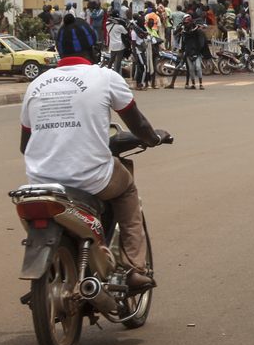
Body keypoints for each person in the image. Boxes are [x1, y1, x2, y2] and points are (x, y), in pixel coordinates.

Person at [19, 34, 171, 293]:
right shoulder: (105, 77)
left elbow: (25, 144)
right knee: (127, 189)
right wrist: (155, 138)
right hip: (91, 179)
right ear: (95, 49)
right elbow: (138, 124)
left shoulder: (37, 83)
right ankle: (135, 268)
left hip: (41, 183)